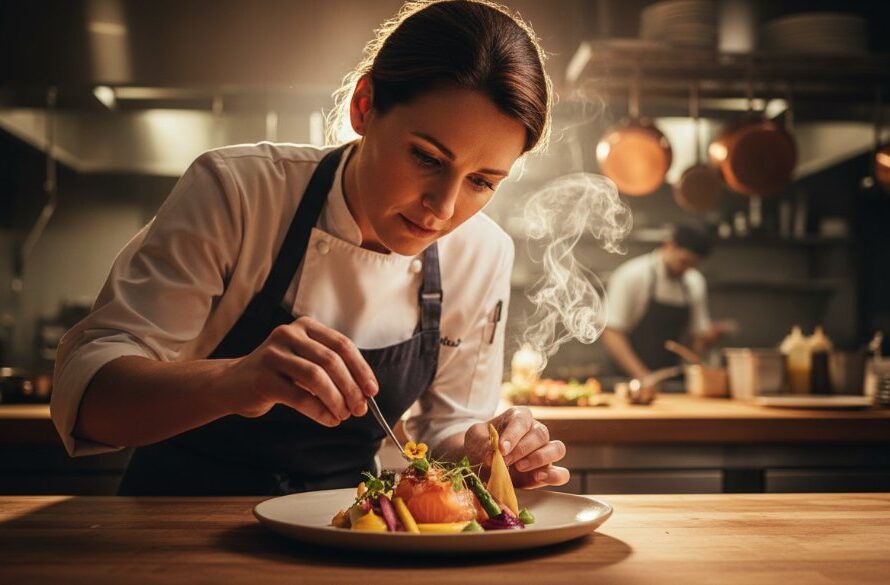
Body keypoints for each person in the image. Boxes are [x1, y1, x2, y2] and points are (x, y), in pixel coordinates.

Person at [50, 0, 570, 496]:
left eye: (481, 181)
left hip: (346, 529)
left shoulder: (480, 253)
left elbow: (449, 428)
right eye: (427, 158)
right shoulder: (238, 191)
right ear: (364, 107)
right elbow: (89, 397)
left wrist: (485, 453)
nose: (442, 207)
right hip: (177, 517)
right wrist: (234, 380)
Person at [601, 223, 724, 380]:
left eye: (693, 265)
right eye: (684, 262)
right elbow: (612, 333)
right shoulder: (631, 275)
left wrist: (699, 364)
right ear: (669, 245)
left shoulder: (694, 282)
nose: (686, 269)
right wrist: (643, 377)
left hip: (673, 379)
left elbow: (697, 336)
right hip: (627, 379)